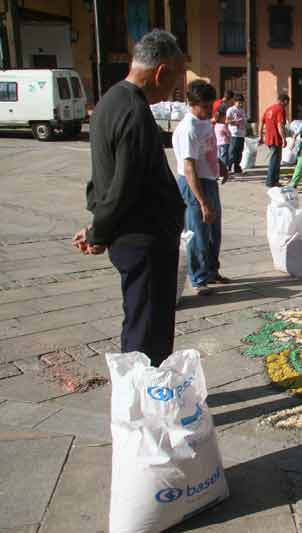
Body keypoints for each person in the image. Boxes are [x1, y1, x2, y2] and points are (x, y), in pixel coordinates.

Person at [71, 30, 186, 367]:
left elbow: (103, 180)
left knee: (140, 319)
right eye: (175, 78)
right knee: (147, 329)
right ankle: (144, 403)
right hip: (144, 239)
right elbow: (124, 187)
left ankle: (142, 396)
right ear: (161, 72)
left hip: (132, 235)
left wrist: (99, 227)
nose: (174, 89)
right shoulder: (134, 112)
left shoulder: (110, 101)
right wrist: (98, 233)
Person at [173, 80, 230, 296]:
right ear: (191, 103)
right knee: (198, 232)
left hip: (209, 180)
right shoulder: (187, 129)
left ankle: (211, 271)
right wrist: (202, 202)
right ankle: (197, 279)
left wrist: (220, 165)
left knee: (214, 231)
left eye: (210, 106)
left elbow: (209, 149)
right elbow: (189, 168)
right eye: (204, 107)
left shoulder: (205, 122)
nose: (208, 111)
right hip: (194, 184)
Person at [260, 93, 290, 187]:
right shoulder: (280, 109)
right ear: (284, 101)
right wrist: (284, 138)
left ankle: (273, 181)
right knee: (275, 161)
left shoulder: (269, 109)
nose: (287, 105)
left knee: (274, 159)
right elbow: (280, 125)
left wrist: (260, 136)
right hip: (275, 138)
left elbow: (262, 123)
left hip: (268, 138)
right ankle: (271, 181)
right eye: (287, 103)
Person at [225, 93, 246, 174]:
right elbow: (226, 121)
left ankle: (237, 167)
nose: (240, 104)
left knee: (239, 151)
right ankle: (229, 167)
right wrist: (235, 121)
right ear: (235, 102)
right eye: (239, 102)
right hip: (234, 133)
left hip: (242, 133)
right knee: (232, 151)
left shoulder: (242, 110)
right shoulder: (231, 110)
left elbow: (244, 120)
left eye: (241, 102)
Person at [214, 108, 230, 172]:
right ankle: (224, 170)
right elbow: (228, 133)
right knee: (224, 157)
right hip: (224, 143)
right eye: (224, 117)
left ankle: (220, 169)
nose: (225, 119)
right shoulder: (223, 126)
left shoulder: (216, 125)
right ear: (221, 118)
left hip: (218, 143)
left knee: (219, 156)